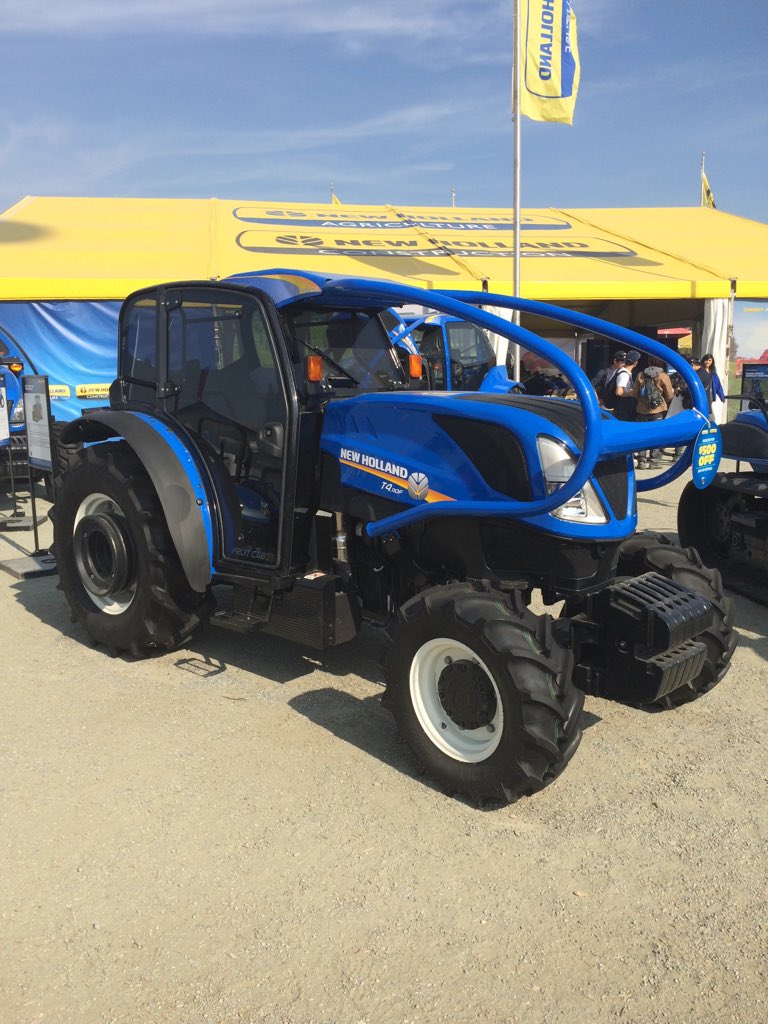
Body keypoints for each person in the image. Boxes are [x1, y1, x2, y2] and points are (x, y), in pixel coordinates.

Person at [632, 356, 675, 468]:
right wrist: (661, 402)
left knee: (642, 435)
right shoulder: (663, 376)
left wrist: (643, 401)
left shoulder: (640, 374)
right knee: (656, 434)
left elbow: (635, 393)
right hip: (658, 411)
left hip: (641, 410)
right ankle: (654, 461)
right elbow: (669, 395)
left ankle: (641, 461)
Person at [610, 349, 640, 421]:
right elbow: (619, 392)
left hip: (622, 407)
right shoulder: (624, 374)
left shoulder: (621, 371)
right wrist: (631, 393)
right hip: (623, 409)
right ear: (635, 363)